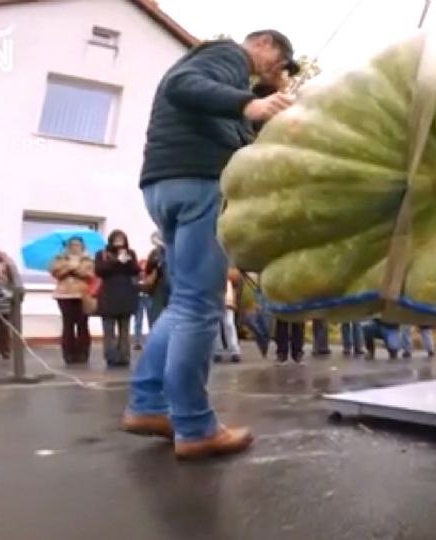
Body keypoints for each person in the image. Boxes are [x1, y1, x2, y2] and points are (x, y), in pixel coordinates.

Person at [122, 29, 298, 459]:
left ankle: (147, 405)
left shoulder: (225, 84)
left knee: (184, 303)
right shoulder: (226, 55)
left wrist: (257, 110)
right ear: (265, 45)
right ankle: (196, 427)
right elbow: (186, 87)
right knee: (201, 308)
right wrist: (248, 102)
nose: (272, 72)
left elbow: (232, 134)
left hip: (165, 186)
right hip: (199, 184)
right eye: (277, 63)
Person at [94, 230, 140, 368]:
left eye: (122, 239)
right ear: (111, 240)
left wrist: (128, 261)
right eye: (116, 239)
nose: (119, 241)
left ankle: (124, 356)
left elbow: (136, 270)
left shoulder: (130, 253)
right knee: (109, 329)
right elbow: (99, 271)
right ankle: (110, 356)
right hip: (108, 295)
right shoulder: (101, 254)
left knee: (124, 329)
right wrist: (116, 262)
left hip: (126, 294)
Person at [49, 237, 95, 365]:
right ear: (68, 246)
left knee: (82, 324)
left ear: (82, 246)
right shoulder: (60, 258)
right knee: (68, 325)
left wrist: (76, 269)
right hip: (64, 295)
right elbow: (55, 272)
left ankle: (83, 353)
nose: (75, 247)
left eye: (78, 245)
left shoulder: (88, 259)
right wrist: (67, 268)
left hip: (82, 295)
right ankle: (68, 354)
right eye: (73, 245)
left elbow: (91, 275)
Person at [0, 237, 22, 360]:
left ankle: (5, 351)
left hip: (3, 297)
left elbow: (14, 276)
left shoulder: (5, 260)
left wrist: (17, 291)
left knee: (4, 326)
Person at [212, 278, 241, 364]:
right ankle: (217, 351)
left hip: (227, 296)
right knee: (215, 325)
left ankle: (235, 350)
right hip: (212, 295)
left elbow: (235, 278)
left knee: (229, 324)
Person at [143, 232, 169, 327]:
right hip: (159, 286)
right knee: (156, 315)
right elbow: (148, 269)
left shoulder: (175, 250)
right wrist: (155, 262)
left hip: (174, 285)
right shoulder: (155, 253)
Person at [133, 258, 152, 351]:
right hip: (139, 298)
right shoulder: (135, 277)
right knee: (138, 321)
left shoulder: (151, 276)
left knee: (151, 320)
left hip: (148, 297)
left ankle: (152, 340)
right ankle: (137, 342)